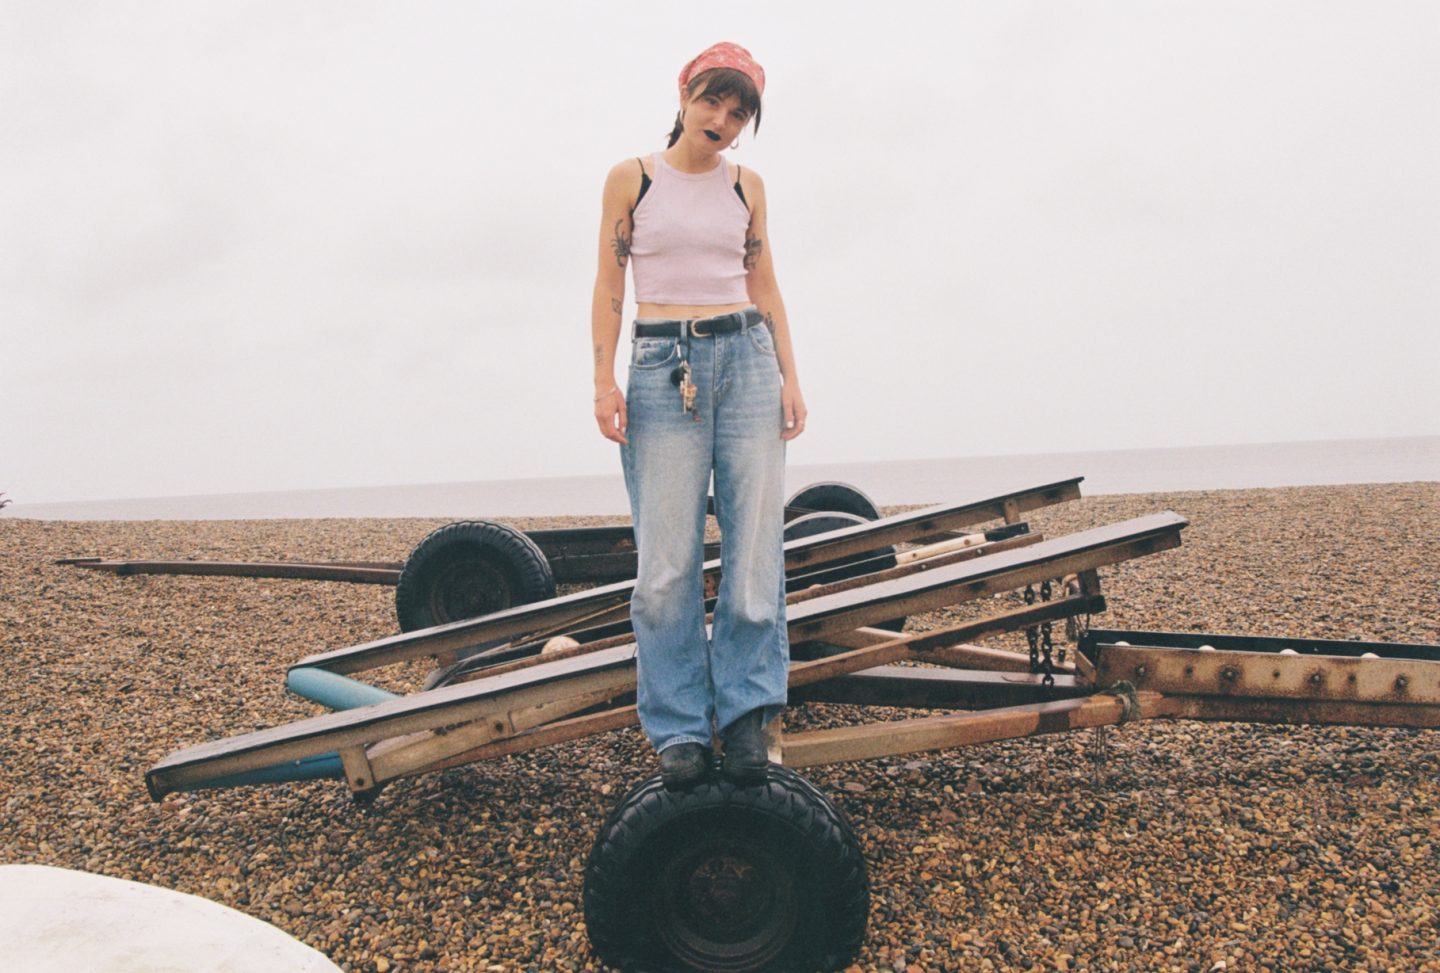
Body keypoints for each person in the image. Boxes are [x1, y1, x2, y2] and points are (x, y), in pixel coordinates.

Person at [590, 42, 807, 790]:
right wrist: (603, 382)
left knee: (754, 551)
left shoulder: (747, 187)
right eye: (713, 100)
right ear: (684, 94)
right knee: (665, 564)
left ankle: (747, 714)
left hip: (747, 359)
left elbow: (765, 284)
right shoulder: (634, 178)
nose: (722, 120)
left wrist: (791, 376)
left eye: (739, 112)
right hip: (661, 366)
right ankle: (680, 725)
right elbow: (609, 284)